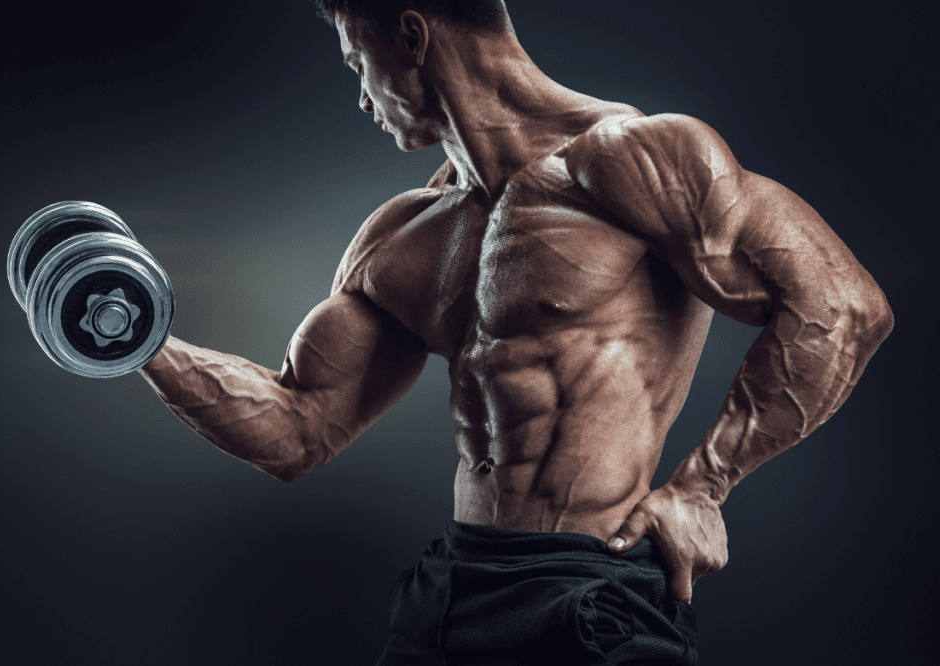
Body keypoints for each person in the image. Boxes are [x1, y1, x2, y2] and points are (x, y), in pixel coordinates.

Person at [139, 1, 893, 663]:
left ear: (411, 34)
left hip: (591, 589)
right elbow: (299, 428)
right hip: (452, 592)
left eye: (354, 59)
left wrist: (703, 489)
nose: (360, 94)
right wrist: (140, 341)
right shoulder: (405, 234)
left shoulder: (636, 157)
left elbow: (842, 308)